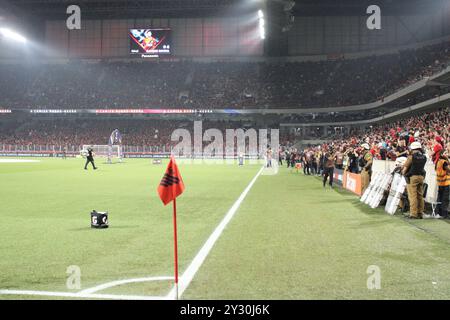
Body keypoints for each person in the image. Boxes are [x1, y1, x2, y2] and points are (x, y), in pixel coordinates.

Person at [402, 141, 427, 219]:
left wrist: (403, 173)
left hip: (412, 178)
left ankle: (413, 214)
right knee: (420, 196)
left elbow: (405, 169)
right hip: (421, 177)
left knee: (412, 196)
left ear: (412, 148)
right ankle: (420, 213)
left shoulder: (411, 157)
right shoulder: (424, 157)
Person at [435, 147, 450, 218]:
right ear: (442, 154)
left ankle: (438, 212)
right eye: (445, 153)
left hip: (440, 183)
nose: (447, 154)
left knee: (440, 198)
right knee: (445, 199)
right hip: (446, 183)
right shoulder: (444, 162)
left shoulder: (439, 161)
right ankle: (445, 214)